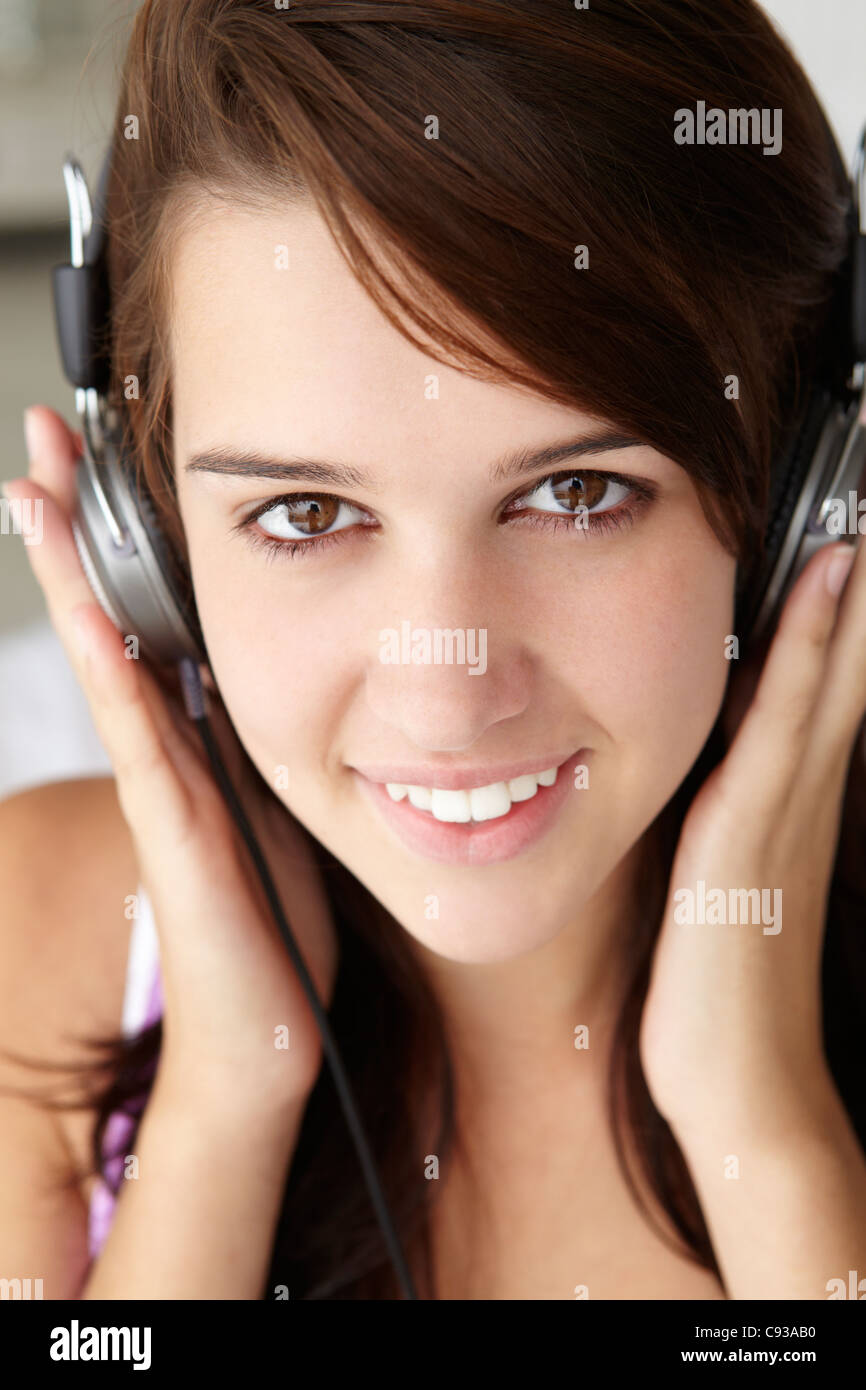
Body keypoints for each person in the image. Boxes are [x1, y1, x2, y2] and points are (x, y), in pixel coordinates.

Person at [1, 0, 865, 1301]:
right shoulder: (45, 937)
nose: (447, 696)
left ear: (805, 494)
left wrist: (763, 1125)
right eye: (304, 514)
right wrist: (226, 1095)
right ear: (149, 542)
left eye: (576, 494)